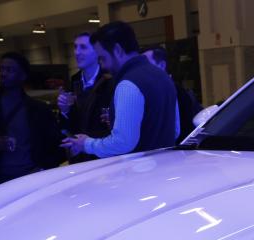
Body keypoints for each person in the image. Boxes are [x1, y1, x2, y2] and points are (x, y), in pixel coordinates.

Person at [61, 21, 178, 159]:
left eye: (103, 58)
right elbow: (175, 130)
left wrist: (86, 144)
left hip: (140, 172)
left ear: (117, 50)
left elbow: (123, 143)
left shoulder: (128, 84)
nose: (102, 64)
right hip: (166, 167)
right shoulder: (163, 77)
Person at [0, 52, 64, 189]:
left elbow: (56, 145)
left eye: (10, 70)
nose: (3, 73)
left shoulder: (39, 109)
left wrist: (43, 168)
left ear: (23, 76)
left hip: (33, 178)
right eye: (1, 69)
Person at [58, 32, 113, 162]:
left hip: (104, 156)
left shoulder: (110, 80)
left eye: (83, 47)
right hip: (80, 158)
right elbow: (68, 126)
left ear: (96, 51)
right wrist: (65, 111)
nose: (77, 52)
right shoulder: (73, 81)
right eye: (75, 47)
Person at [142, 46, 203, 141]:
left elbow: (178, 131)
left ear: (162, 65)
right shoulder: (159, 90)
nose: (142, 70)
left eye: (146, 65)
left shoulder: (175, 91)